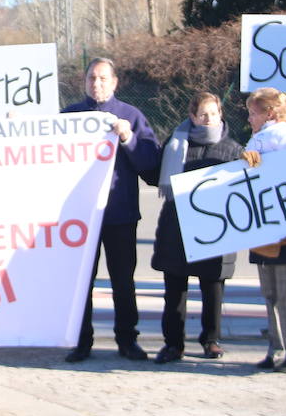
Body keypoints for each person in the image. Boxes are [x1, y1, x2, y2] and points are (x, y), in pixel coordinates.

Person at [61, 57, 161, 363]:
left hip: (120, 214)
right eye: (92, 78)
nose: (97, 84)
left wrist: (129, 138)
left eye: (103, 79)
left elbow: (151, 168)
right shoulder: (69, 117)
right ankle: (81, 341)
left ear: (115, 82)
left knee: (123, 281)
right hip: (80, 217)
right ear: (84, 81)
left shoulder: (130, 115)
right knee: (80, 282)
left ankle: (127, 340)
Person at [151, 92, 243, 362]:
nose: (208, 119)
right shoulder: (175, 144)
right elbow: (154, 173)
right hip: (176, 227)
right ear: (192, 116)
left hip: (216, 229)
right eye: (203, 114)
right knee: (175, 289)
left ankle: (211, 339)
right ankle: (173, 344)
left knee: (213, 286)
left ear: (220, 114)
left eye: (213, 113)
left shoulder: (234, 150)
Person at [242, 87, 286, 373]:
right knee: (271, 292)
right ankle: (277, 349)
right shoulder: (259, 138)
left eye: (252, 112)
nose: (249, 118)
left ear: (269, 113)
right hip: (265, 230)